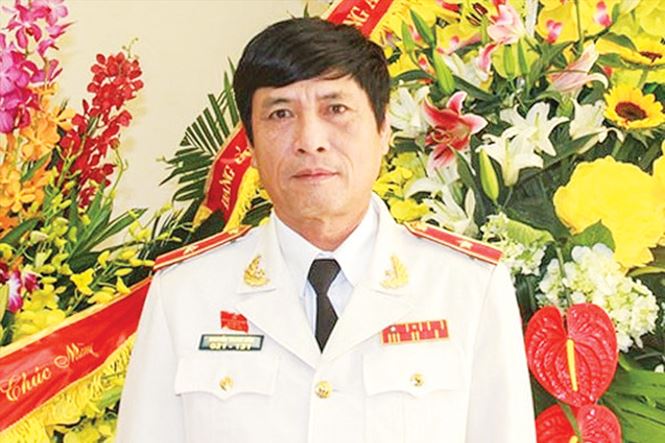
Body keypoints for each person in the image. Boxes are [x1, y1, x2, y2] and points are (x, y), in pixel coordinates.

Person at [116, 17, 536, 443]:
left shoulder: (467, 287)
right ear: (251, 146)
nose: (310, 140)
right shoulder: (186, 293)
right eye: (281, 113)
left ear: (384, 130)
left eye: (336, 109)